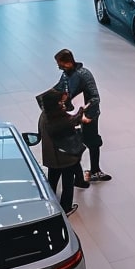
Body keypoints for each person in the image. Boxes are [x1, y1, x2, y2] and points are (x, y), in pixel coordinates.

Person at [53, 48, 109, 185]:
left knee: (92, 141)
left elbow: (95, 97)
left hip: (87, 116)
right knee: (75, 144)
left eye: (60, 63)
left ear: (68, 62)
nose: (58, 66)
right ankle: (78, 177)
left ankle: (95, 170)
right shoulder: (66, 74)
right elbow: (59, 88)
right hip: (71, 115)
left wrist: (87, 116)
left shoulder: (84, 75)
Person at [36, 87, 83, 215]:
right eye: (60, 103)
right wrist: (80, 112)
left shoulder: (44, 116)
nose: (62, 105)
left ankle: (48, 202)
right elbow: (72, 124)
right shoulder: (58, 121)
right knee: (68, 184)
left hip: (50, 157)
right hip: (64, 158)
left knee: (52, 180)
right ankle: (66, 208)